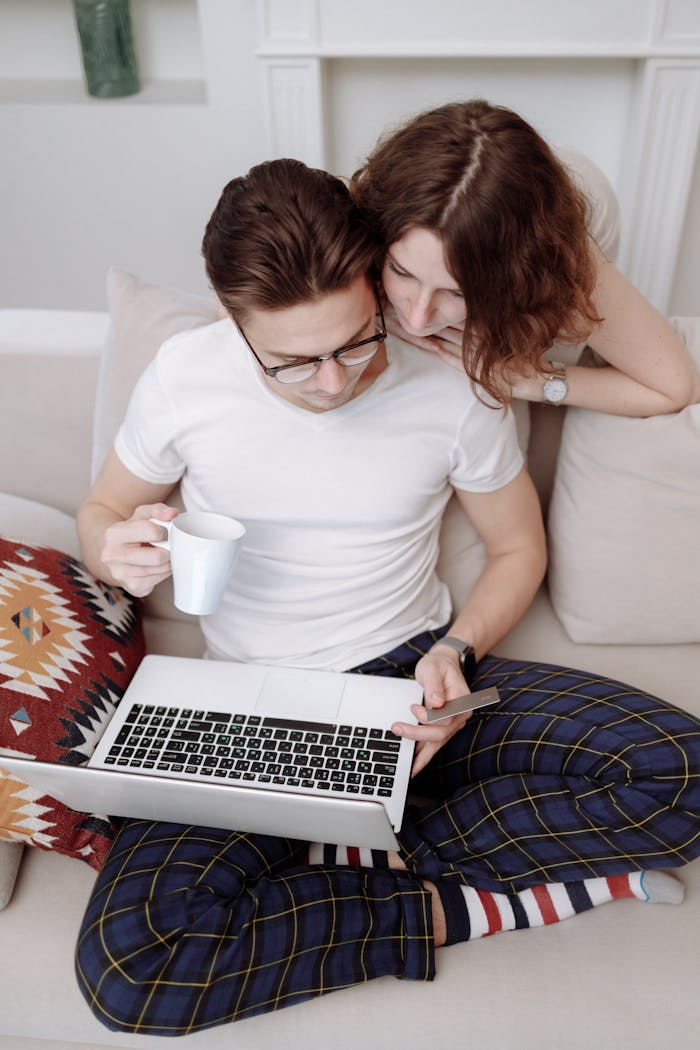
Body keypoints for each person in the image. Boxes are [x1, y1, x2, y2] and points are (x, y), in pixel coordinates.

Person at [74, 159, 700, 1036]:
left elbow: (519, 548)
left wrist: (457, 651)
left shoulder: (449, 376)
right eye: (294, 362)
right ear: (231, 318)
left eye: (356, 341)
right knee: (130, 970)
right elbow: (100, 512)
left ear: (379, 285)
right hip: (248, 700)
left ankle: (353, 824)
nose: (334, 382)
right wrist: (113, 551)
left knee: (682, 774)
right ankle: (459, 902)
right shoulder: (184, 376)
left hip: (412, 676)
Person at [350, 98, 700, 417]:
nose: (416, 318)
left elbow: (672, 388)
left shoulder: (563, 270)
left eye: (458, 292)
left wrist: (530, 380)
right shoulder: (367, 202)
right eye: (401, 271)